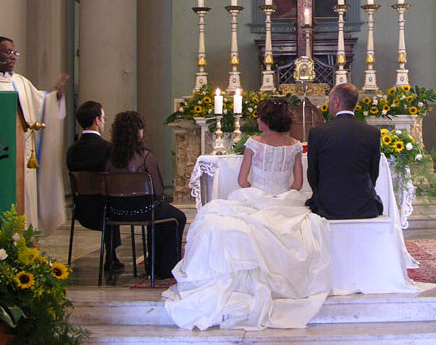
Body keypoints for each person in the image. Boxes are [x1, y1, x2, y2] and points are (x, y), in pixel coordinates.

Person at [163, 99, 332, 330]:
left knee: (213, 220)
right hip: (284, 202)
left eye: (259, 117)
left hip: (256, 198)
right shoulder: (294, 145)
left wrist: (258, 194)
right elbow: (298, 183)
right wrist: (278, 197)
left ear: (264, 121)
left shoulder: (254, 143)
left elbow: (243, 181)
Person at [0, 36, 70, 232]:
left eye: (15, 53)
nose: (13, 57)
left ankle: (24, 245)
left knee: (23, 207)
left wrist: (56, 96)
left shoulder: (21, 83)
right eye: (8, 52)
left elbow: (42, 104)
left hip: (22, 161)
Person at [105, 112, 186, 280]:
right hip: (145, 210)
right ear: (138, 132)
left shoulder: (109, 158)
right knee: (178, 216)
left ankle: (154, 264)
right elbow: (157, 191)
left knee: (160, 212)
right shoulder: (145, 157)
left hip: (116, 212)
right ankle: (163, 266)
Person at [306, 83, 383, 219]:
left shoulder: (318, 133)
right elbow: (373, 173)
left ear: (337, 102)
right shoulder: (372, 133)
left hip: (327, 207)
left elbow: (313, 173)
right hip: (364, 206)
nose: (327, 103)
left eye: (329, 99)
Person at [65, 101, 122, 270]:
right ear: (97, 120)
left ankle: (112, 256)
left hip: (81, 210)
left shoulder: (72, 150)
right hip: (105, 211)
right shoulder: (108, 149)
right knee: (111, 197)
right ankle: (111, 255)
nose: (104, 122)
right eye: (103, 118)